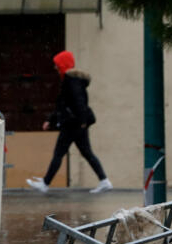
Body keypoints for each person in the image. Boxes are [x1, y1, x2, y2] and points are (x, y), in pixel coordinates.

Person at [27, 50, 112, 194]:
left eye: (57, 64)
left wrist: (81, 121)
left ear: (63, 64)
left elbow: (76, 103)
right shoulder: (73, 81)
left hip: (72, 124)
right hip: (77, 124)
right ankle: (104, 180)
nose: (55, 67)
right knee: (86, 152)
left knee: (59, 153)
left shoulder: (70, 81)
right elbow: (64, 104)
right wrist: (51, 120)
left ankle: (45, 183)